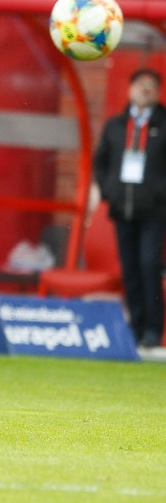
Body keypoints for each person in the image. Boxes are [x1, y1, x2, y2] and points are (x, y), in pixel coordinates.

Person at [93, 68, 166, 349]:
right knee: (131, 269)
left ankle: (153, 328)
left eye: (151, 86)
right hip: (123, 208)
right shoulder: (116, 125)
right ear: (130, 88)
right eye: (140, 85)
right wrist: (109, 190)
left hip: (154, 210)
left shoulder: (163, 123)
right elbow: (101, 163)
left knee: (149, 266)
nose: (145, 90)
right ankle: (134, 328)